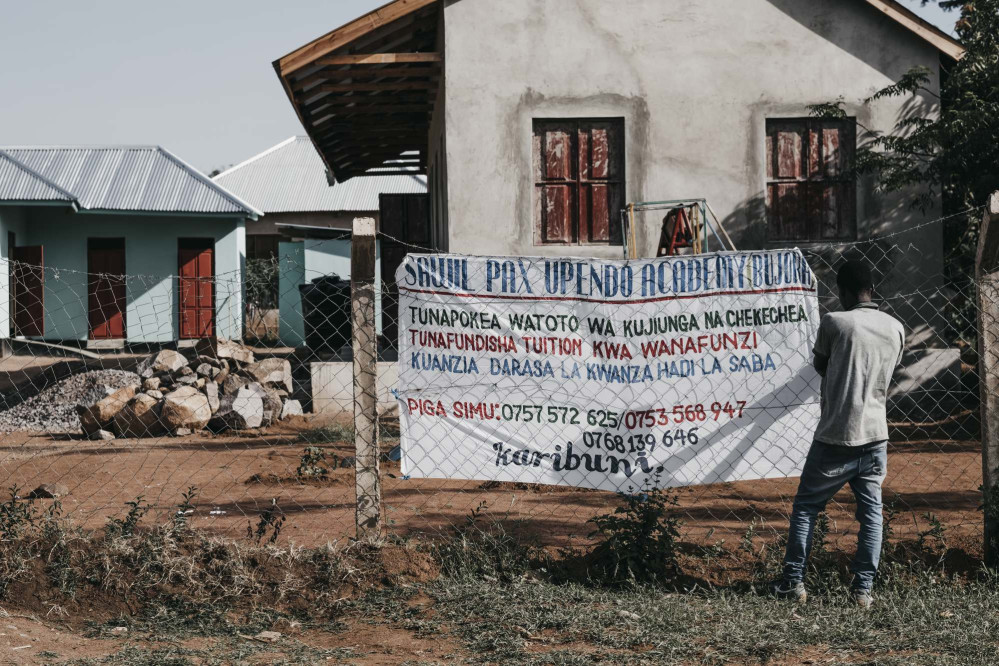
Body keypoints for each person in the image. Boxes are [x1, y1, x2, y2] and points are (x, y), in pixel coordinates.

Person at [770, 259, 904, 608]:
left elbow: (820, 364)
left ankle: (793, 582)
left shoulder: (834, 322)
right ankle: (862, 591)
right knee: (871, 513)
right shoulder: (895, 327)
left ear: (843, 292)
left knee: (805, 507)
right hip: (876, 435)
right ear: (872, 290)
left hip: (836, 435)